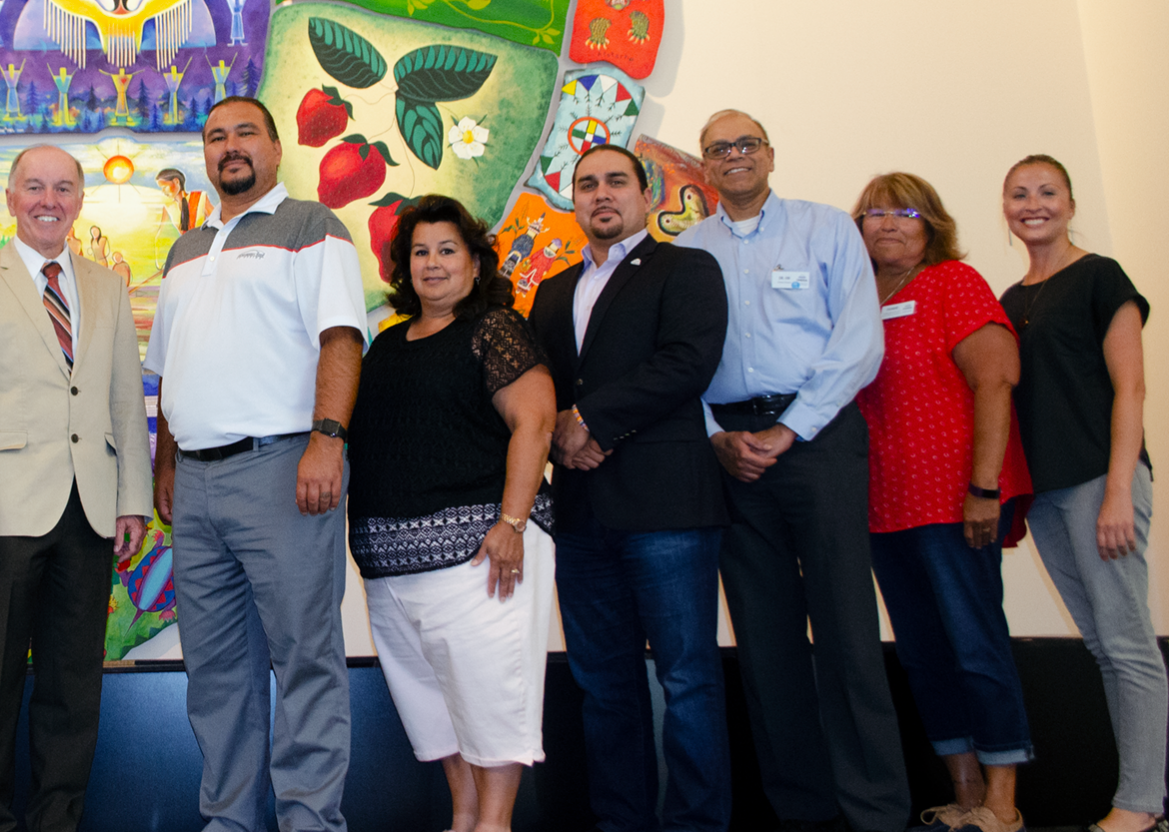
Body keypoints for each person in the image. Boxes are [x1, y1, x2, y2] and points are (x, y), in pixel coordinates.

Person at [674, 109, 901, 832]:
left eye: (745, 144)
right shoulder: (687, 251)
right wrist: (716, 437)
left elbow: (859, 341)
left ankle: (874, 812)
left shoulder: (827, 227)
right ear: (704, 167)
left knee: (848, 633)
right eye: (718, 149)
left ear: (769, 154)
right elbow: (679, 364)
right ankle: (801, 813)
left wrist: (789, 428)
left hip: (820, 440)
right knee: (766, 644)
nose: (733, 156)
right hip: (729, 455)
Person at [147, 96, 368, 832]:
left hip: (284, 470)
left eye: (246, 133)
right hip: (197, 484)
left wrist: (326, 440)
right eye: (216, 137)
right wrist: (165, 466)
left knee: (304, 657)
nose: (230, 147)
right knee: (215, 672)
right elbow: (173, 370)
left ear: (275, 148)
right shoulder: (184, 249)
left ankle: (310, 820)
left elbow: (341, 337)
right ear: (205, 156)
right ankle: (231, 820)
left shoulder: (313, 226)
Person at [0, 143, 152, 832]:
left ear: (81, 200)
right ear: (11, 198)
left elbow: (124, 399)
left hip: (89, 511)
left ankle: (58, 821)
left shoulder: (107, 285)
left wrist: (133, 500)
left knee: (73, 688)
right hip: (4, 512)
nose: (48, 200)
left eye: (63, 187)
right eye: (34, 186)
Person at [528, 144, 732, 832]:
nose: (601, 194)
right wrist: (559, 428)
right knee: (603, 687)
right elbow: (540, 389)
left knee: (689, 682)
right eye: (586, 185)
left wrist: (589, 420)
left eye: (616, 181)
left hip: (667, 507)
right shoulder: (554, 290)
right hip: (583, 518)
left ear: (644, 194)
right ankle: (622, 822)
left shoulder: (686, 268)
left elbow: (688, 362)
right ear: (574, 200)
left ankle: (698, 824)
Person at [348, 194, 556, 832]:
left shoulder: (493, 328)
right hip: (392, 575)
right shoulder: (384, 346)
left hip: (481, 559)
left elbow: (536, 422)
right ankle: (465, 818)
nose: (432, 264)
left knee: (491, 703)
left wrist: (513, 524)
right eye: (419, 252)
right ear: (403, 266)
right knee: (437, 712)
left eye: (447, 250)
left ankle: (494, 824)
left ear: (474, 262)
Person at [848, 172, 1036, 832]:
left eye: (906, 212)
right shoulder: (854, 301)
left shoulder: (954, 282)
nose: (889, 224)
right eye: (874, 213)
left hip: (956, 504)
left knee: (976, 646)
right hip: (882, 509)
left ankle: (1004, 802)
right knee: (925, 653)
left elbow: (996, 379)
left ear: (932, 224)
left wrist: (985, 488)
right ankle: (964, 797)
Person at [997, 155, 1164, 832]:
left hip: (1103, 482)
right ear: (1004, 207)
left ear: (1069, 202)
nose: (1033, 204)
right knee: (1102, 645)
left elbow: (1132, 388)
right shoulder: (1010, 300)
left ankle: (1141, 804)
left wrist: (1120, 490)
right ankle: (1136, 799)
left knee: (1127, 645)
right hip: (1049, 496)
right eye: (1018, 194)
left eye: (1046, 192)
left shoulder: (1100, 277)